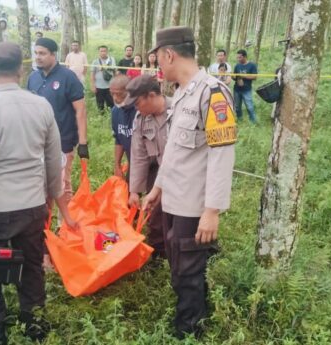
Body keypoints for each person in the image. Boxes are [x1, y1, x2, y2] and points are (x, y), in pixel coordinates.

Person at [0, 42, 78, 344]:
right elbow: (54, 161)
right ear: (21, 70)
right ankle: (34, 324)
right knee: (32, 265)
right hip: (34, 205)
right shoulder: (42, 106)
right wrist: (55, 201)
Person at [142, 26, 237, 340]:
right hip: (173, 198)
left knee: (188, 271)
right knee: (179, 265)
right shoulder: (182, 93)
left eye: (158, 59)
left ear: (169, 54)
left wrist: (212, 210)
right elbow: (173, 151)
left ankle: (189, 330)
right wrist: (156, 189)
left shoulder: (213, 92)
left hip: (194, 205)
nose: (158, 67)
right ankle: (193, 314)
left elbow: (221, 154)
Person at [28, 37, 89, 202]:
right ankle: (44, 222)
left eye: (42, 53)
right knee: (41, 183)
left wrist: (83, 142)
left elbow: (80, 110)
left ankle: (64, 225)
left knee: (62, 183)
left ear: (53, 55)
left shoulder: (68, 77)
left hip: (63, 140)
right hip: (38, 141)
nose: (38, 57)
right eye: (36, 53)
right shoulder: (33, 78)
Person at [125, 75, 169, 259]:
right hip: (157, 169)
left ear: (151, 95)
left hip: (185, 173)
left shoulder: (179, 111)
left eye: (137, 103)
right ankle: (160, 255)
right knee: (155, 214)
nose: (135, 108)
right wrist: (134, 191)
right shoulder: (141, 118)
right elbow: (139, 155)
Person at [109, 76, 137, 178]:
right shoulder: (115, 112)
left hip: (150, 164)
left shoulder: (141, 109)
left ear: (129, 92)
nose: (115, 98)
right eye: (112, 94)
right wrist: (117, 165)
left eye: (119, 94)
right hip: (132, 162)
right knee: (130, 192)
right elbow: (119, 140)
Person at [232, 49, 258, 124]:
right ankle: (240, 120)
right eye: (237, 57)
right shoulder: (237, 65)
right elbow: (235, 76)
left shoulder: (252, 65)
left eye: (240, 57)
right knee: (237, 107)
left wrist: (243, 75)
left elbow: (254, 77)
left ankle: (253, 122)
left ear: (245, 57)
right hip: (237, 89)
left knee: (249, 106)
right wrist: (233, 77)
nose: (238, 59)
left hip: (247, 90)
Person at [90, 45, 117, 112]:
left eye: (104, 51)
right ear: (99, 52)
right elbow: (92, 74)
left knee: (111, 105)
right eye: (101, 51)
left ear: (107, 51)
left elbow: (115, 71)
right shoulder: (95, 61)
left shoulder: (112, 60)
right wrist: (93, 85)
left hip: (110, 87)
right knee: (100, 105)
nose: (103, 52)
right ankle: (101, 117)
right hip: (99, 86)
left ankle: (111, 118)